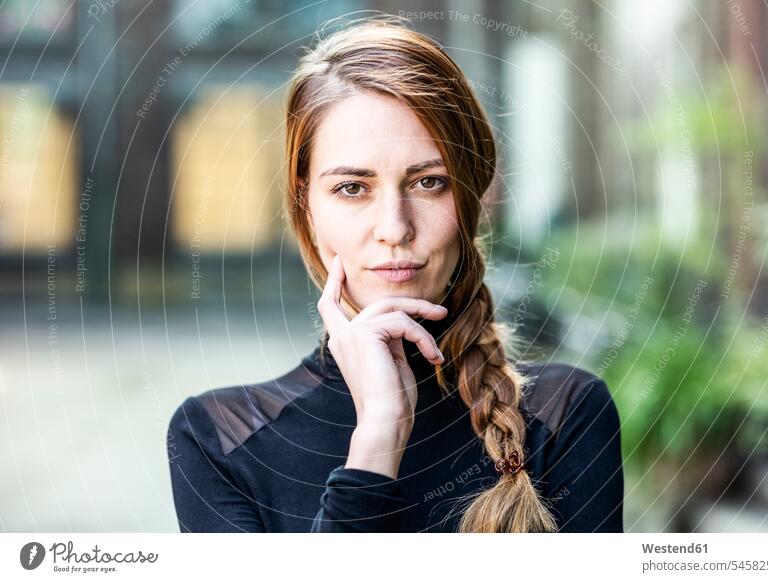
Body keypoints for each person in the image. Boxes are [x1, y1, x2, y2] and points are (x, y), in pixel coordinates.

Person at [167, 16, 624, 533]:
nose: (395, 228)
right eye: (353, 188)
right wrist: (376, 445)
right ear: (306, 208)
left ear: (470, 200)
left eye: (429, 182)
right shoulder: (218, 441)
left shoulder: (565, 417)